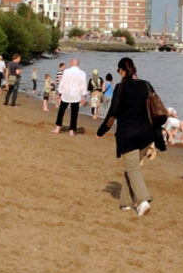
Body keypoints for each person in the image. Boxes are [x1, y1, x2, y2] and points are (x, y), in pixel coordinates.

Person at [95, 57, 165, 217]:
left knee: (132, 168)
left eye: (118, 71)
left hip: (128, 135)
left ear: (122, 71)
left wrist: (101, 131)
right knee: (131, 168)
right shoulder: (146, 85)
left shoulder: (121, 87)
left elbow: (112, 113)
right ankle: (126, 203)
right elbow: (156, 106)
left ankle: (143, 200)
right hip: (147, 134)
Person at [53, 58, 86, 135]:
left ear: (71, 63)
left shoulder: (66, 71)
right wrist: (83, 97)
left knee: (61, 111)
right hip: (76, 95)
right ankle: (72, 130)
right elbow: (83, 85)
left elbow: (62, 83)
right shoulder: (82, 73)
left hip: (66, 94)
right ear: (77, 64)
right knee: (74, 113)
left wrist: (59, 93)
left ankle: (57, 128)